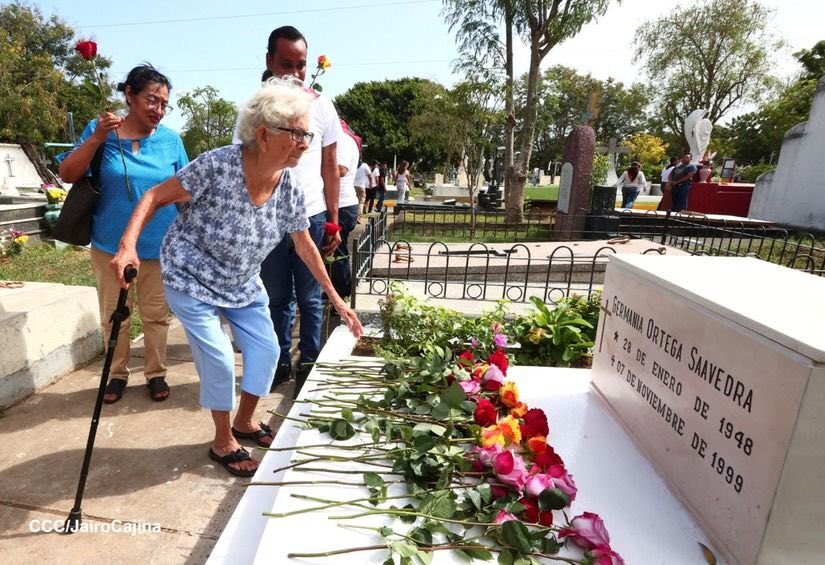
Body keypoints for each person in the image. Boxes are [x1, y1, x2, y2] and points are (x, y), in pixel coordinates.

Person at [110, 78, 363, 477]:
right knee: (221, 358)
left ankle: (245, 421)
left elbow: (304, 244)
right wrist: (127, 246)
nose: (305, 142)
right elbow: (154, 196)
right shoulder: (217, 165)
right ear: (264, 134)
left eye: (308, 134)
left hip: (241, 282)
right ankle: (222, 438)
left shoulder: (290, 186)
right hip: (191, 275)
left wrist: (336, 298)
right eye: (298, 133)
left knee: (267, 350)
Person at [59, 64, 188, 404]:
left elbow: (186, 189)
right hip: (109, 246)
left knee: (156, 316)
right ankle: (116, 374)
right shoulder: (100, 130)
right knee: (114, 316)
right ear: (129, 96)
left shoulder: (171, 140)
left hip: (158, 247)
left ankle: (156, 373)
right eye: (151, 100)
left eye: (164, 103)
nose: (158, 110)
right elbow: (69, 172)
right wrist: (98, 136)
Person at [258, 26, 342, 397]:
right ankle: (277, 362)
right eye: (285, 64)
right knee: (275, 298)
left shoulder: (322, 105)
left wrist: (333, 220)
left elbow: (329, 165)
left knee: (309, 298)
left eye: (301, 65)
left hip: (310, 216)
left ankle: (309, 363)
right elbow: (247, 164)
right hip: (270, 220)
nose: (293, 73)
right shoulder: (257, 108)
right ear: (269, 62)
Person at [331, 119, 361, 298]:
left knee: (338, 252)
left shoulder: (341, 140)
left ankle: (342, 293)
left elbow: (340, 169)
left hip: (342, 204)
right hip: (342, 203)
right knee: (333, 252)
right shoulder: (345, 139)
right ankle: (335, 291)